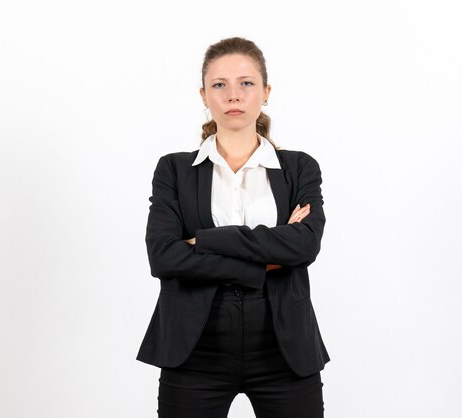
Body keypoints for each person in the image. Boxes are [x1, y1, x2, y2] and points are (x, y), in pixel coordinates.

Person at [136, 36, 330, 418]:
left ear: (266, 92)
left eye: (246, 83)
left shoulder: (298, 168)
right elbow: (164, 257)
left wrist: (203, 242)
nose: (233, 96)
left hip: (284, 348)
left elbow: (303, 247)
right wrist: (265, 259)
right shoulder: (173, 169)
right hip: (194, 350)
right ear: (204, 95)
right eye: (219, 85)